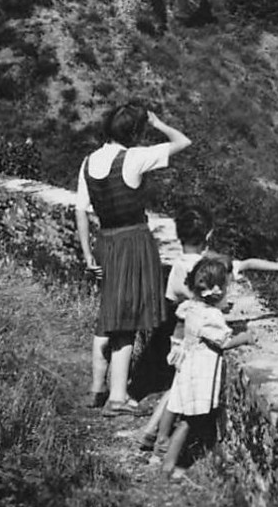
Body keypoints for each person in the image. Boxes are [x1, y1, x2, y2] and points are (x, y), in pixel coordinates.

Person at [133, 209, 278, 454]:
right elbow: (244, 265)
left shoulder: (178, 268)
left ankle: (153, 432)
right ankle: (156, 435)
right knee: (178, 390)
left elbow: (178, 299)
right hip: (195, 342)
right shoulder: (206, 270)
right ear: (209, 235)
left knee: (177, 387)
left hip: (177, 335)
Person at [76, 102, 192, 416]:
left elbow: (81, 210)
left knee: (110, 311)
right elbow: (183, 142)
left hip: (106, 241)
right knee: (126, 319)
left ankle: (97, 385)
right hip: (132, 241)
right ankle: (117, 397)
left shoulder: (89, 161)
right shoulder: (134, 158)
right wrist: (158, 123)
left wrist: (88, 253)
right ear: (135, 132)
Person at [160, 258, 255, 479]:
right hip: (199, 372)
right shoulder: (211, 316)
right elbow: (224, 342)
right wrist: (244, 337)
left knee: (182, 412)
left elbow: (182, 330)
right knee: (187, 422)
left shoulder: (190, 307)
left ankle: (165, 451)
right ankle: (169, 466)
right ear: (219, 291)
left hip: (188, 365)